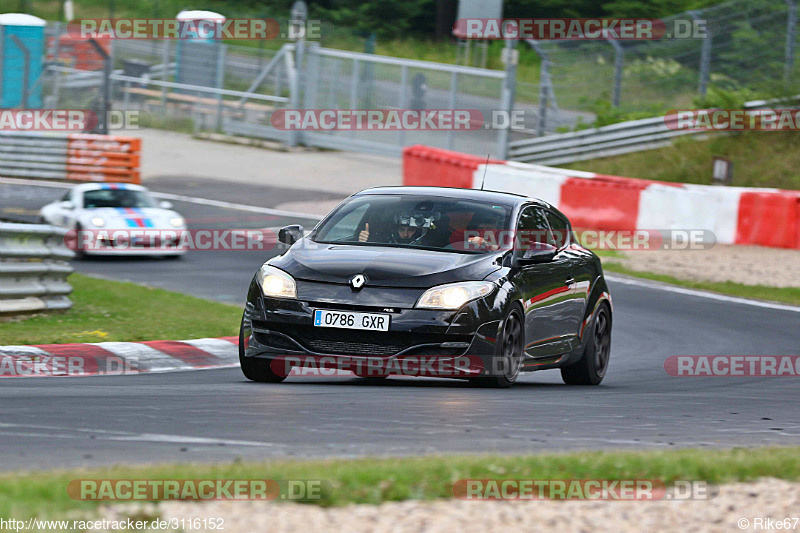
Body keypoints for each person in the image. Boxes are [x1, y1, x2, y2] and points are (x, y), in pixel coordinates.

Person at [359, 210, 431, 245]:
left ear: (419, 231)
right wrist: (363, 243)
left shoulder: (429, 248)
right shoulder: (383, 243)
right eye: (402, 230)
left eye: (411, 230)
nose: (405, 235)